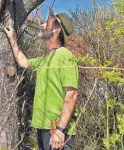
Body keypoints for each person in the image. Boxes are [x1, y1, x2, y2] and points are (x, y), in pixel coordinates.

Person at [4, 8, 79, 150]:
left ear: (56, 30)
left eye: (47, 23)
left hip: (56, 130)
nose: (42, 25)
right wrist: (12, 38)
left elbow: (72, 94)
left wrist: (60, 130)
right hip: (43, 127)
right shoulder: (45, 59)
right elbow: (24, 62)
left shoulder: (65, 56)